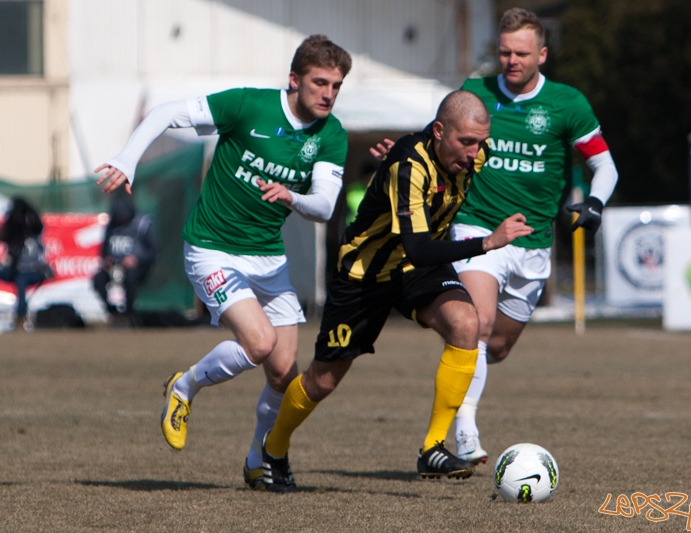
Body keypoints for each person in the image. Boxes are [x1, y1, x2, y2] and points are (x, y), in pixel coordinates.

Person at [94, 35, 352, 490]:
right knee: (259, 343)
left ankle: (258, 460)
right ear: (294, 80)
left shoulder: (331, 135)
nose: (328, 93)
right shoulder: (247, 106)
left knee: (283, 370)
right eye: (319, 82)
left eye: (336, 85)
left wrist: (293, 195)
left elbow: (327, 205)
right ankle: (184, 386)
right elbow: (163, 113)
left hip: (268, 258)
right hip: (211, 246)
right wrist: (128, 159)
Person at [258, 90, 533, 493]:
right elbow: (420, 247)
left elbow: (420, 252)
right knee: (322, 381)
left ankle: (433, 447)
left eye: (480, 142)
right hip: (365, 274)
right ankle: (274, 447)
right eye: (466, 143)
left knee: (466, 324)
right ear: (440, 132)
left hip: (415, 268)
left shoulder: (469, 150)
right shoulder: (409, 167)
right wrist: (487, 243)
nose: (475, 153)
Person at [449, 8, 619, 464]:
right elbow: (440, 143)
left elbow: (604, 165)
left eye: (521, 53)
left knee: (498, 346)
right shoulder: (474, 93)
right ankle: (465, 429)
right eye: (504, 52)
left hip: (533, 243)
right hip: (478, 227)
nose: (511, 61)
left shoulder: (567, 104)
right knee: (477, 325)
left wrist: (595, 203)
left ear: (542, 54)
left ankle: (466, 369)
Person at [93, 197, 157, 322]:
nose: (121, 221)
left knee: (131, 277)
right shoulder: (112, 224)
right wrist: (107, 259)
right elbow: (104, 249)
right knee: (98, 279)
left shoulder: (142, 224)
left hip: (138, 267)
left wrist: (136, 259)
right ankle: (111, 311)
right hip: (115, 267)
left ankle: (129, 313)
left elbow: (154, 252)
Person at [0, 198, 52, 330]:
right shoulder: (12, 233)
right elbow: (4, 236)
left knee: (21, 281)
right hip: (14, 271)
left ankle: (20, 317)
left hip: (33, 272)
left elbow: (38, 227)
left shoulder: (33, 232)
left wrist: (28, 216)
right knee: (18, 278)